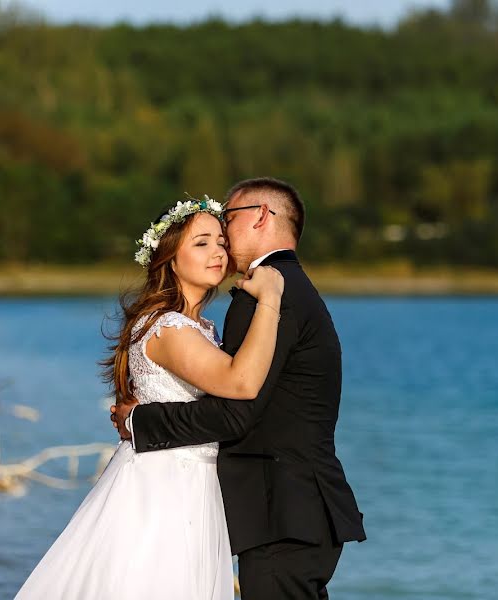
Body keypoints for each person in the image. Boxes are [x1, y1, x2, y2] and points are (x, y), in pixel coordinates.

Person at [16, 196, 285, 599]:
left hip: (194, 487)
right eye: (201, 243)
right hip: (162, 491)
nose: (217, 251)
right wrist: (271, 299)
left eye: (220, 241)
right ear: (169, 261)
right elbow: (241, 383)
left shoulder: (201, 328)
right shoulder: (168, 327)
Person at [112, 178, 366, 600]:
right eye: (203, 241)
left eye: (227, 220)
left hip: (283, 512)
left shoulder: (267, 292)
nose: (223, 238)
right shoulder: (288, 285)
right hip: (290, 510)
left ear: (261, 216)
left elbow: (236, 410)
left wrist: (141, 420)